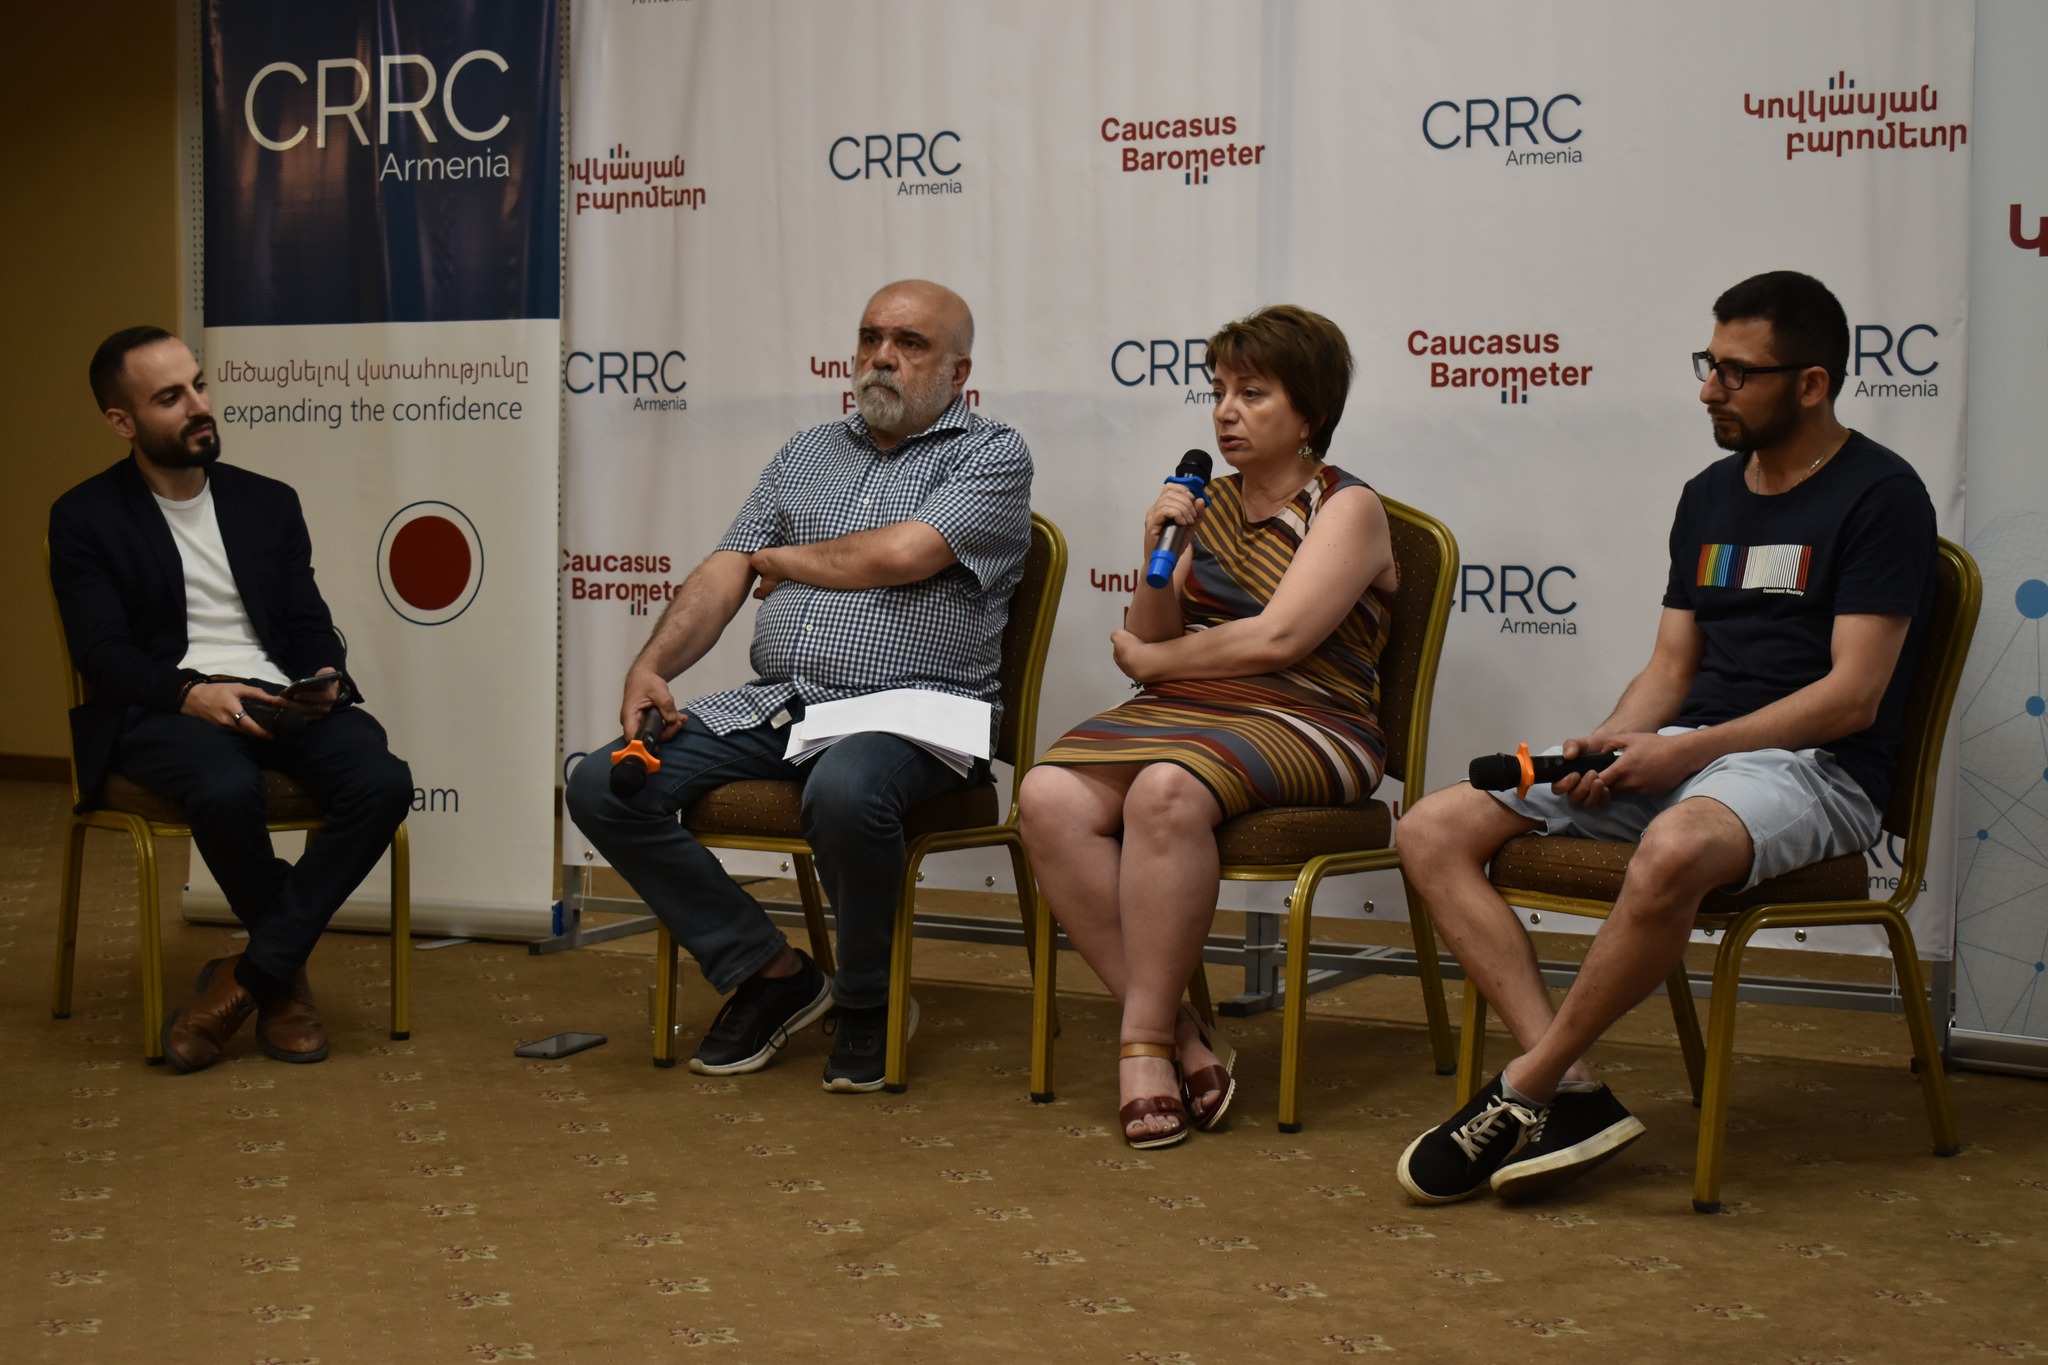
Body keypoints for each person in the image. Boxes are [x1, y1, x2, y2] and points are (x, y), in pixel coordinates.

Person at [1394, 271, 1937, 1204]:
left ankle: (1524, 1086)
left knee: (1675, 845)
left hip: (1818, 771)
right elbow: (1671, 667)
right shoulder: (1709, 494)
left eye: (1737, 372)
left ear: (1812, 383)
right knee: (1430, 827)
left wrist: (1687, 750)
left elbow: (1853, 697)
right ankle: (1570, 1088)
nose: (1709, 390)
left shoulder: (1883, 496)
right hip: (1693, 750)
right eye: (1708, 364)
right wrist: (1611, 741)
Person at [565, 280, 1032, 1093]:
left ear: (959, 372)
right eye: (871, 337)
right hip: (786, 702)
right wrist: (652, 667)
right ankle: (770, 972)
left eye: (910, 343)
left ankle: (868, 997)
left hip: (919, 712)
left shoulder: (990, 453)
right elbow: (726, 568)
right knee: (603, 783)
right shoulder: (806, 453)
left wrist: (780, 559)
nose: (882, 357)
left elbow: (904, 554)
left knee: (845, 789)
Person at [1018, 305, 1397, 1148]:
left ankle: (1142, 1046)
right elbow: (1151, 630)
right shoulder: (1207, 502)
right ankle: (1179, 1033)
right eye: (1219, 390)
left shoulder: (1349, 507)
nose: (1225, 411)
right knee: (1045, 793)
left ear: (1311, 411)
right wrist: (1155, 549)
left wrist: (1154, 664)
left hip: (1315, 715)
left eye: (1252, 393)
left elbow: (1280, 639)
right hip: (1195, 711)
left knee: (1164, 789)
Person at [49, 326, 414, 1074]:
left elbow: (308, 621)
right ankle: (282, 981)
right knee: (223, 787)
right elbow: (103, 653)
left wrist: (323, 671)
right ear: (122, 421)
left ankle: (247, 976)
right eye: (169, 397)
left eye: (199, 385)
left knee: (382, 780)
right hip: (162, 707)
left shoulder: (266, 502)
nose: (198, 406)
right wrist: (192, 693)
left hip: (277, 695)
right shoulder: (85, 516)